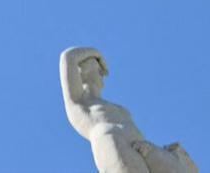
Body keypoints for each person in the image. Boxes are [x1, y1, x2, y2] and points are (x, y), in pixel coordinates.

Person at [60, 46, 197, 173]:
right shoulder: (78, 102)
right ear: (82, 73)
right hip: (114, 142)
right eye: (97, 68)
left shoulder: (114, 106)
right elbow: (68, 57)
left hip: (142, 146)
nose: (102, 73)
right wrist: (97, 54)